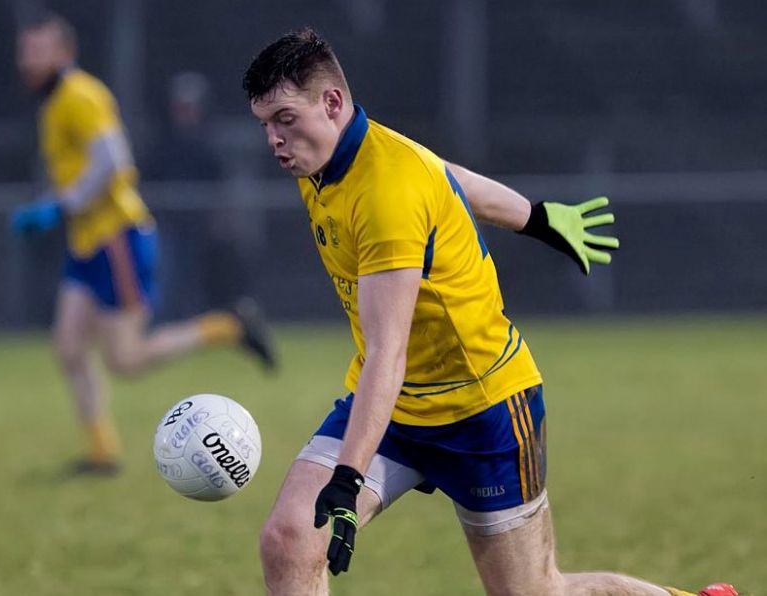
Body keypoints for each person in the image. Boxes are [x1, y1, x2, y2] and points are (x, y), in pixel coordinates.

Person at [242, 29, 736, 596]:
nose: (275, 140)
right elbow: (444, 171)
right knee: (288, 540)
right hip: (396, 408)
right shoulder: (335, 155)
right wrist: (537, 218)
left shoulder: (385, 193)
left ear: (331, 103)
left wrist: (348, 478)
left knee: (537, 591)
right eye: (265, 125)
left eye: (284, 118)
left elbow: (387, 350)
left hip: (484, 411)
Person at [12, 11, 276, 476]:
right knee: (69, 346)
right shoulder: (53, 106)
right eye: (24, 50)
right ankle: (102, 453)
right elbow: (80, 170)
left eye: (37, 50)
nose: (27, 60)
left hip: (118, 240)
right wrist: (55, 203)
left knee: (126, 360)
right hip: (87, 244)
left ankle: (230, 326)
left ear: (64, 53)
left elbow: (112, 160)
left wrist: (60, 205)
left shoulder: (81, 95)